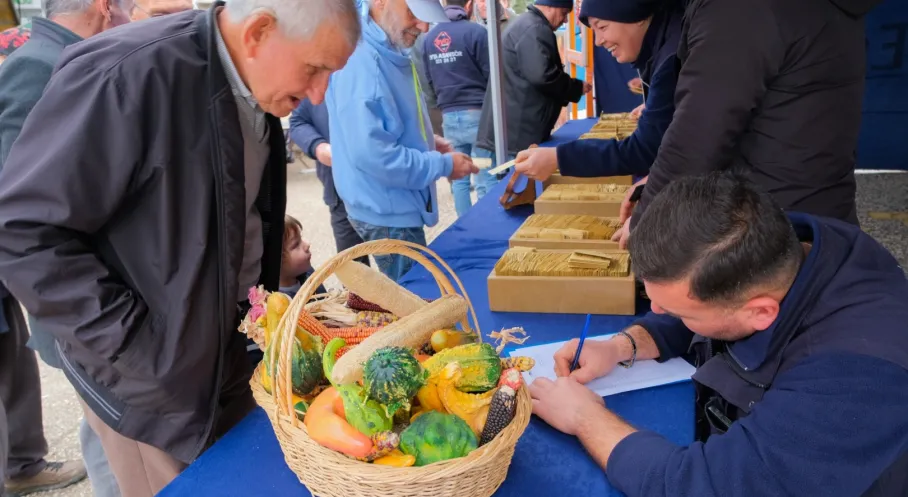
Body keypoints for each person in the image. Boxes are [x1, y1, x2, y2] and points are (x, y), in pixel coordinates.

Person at [0, 0, 359, 494]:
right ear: (257, 33)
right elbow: (21, 227)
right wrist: (137, 351)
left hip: (222, 354)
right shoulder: (127, 76)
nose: (319, 92)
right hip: (150, 389)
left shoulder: (253, 80)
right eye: (315, 69)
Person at [530, 173, 908, 497]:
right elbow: (709, 301)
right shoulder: (769, 246)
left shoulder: (855, 378)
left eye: (677, 311)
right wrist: (622, 345)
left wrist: (585, 418)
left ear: (760, 312)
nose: (658, 314)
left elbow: (705, 486)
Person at [0, 2, 137, 494]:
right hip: (85, 312)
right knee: (108, 440)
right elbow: (18, 216)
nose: (135, 17)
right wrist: (97, 318)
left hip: (99, 310)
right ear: (105, 7)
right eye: (133, 7)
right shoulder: (36, 67)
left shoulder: (68, 56)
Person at [621, 0, 883, 240]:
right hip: (812, 216)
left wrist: (646, 219)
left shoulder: (740, 8)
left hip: (770, 232)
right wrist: (655, 185)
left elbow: (699, 134)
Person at [326, 0, 478, 282]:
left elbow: (385, 124)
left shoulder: (381, 47)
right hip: (387, 211)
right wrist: (441, 165)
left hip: (387, 205)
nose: (423, 26)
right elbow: (375, 154)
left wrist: (427, 142)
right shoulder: (363, 62)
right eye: (413, 13)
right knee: (414, 302)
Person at [514, 0, 683, 185]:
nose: (598, 41)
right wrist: (654, 105)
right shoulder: (670, 42)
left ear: (636, 16)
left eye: (602, 27)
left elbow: (643, 151)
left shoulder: (671, 60)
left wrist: (558, 158)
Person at [474, 0, 590, 169]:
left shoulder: (528, 25)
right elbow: (542, 76)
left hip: (513, 130)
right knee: (509, 187)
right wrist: (575, 88)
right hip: (517, 134)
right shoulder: (535, 28)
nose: (565, 20)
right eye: (564, 13)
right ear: (551, 6)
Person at [423, 0, 495, 217]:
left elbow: (429, 80)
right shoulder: (477, 32)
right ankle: (490, 224)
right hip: (478, 114)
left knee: (460, 178)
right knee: (486, 173)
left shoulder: (429, 39)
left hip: (449, 115)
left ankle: (466, 228)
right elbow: (491, 76)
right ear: (470, 4)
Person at [288, 99, 370, 265]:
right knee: (353, 269)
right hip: (338, 191)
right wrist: (317, 145)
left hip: (383, 189)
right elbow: (298, 121)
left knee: (402, 268)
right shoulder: (316, 86)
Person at [278, 215, 327, 300]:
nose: (307, 245)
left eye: (301, 238)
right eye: (296, 244)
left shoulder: (306, 271)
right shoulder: (283, 305)